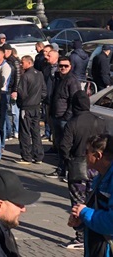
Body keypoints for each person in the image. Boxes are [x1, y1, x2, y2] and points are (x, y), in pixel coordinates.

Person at [60, 91, 106, 250]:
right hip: (96, 167)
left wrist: (67, 161)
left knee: (78, 201)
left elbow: (64, 146)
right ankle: (89, 230)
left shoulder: (72, 123)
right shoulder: (99, 121)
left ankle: (80, 235)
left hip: (77, 166)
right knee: (93, 200)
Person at [68, 134, 113, 257]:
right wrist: (81, 220)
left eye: (87, 152)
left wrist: (84, 212)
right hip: (96, 247)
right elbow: (97, 208)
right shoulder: (100, 177)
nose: (84, 155)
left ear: (98, 156)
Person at [46, 56, 81, 181]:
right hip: (56, 116)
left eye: (66, 66)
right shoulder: (57, 78)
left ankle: (67, 171)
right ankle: (61, 170)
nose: (63, 68)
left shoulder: (72, 80)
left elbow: (74, 100)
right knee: (60, 145)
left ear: (70, 66)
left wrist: (67, 116)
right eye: (61, 66)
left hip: (65, 118)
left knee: (66, 146)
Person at [16, 56, 47, 165]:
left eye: (22, 62)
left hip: (27, 107)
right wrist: (38, 99)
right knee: (36, 132)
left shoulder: (25, 76)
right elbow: (44, 91)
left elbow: (22, 93)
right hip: (36, 107)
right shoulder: (39, 74)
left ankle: (26, 156)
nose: (21, 64)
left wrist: (20, 103)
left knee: (25, 132)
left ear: (29, 63)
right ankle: (38, 156)